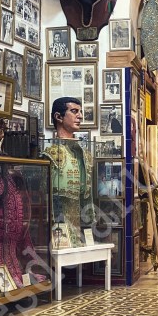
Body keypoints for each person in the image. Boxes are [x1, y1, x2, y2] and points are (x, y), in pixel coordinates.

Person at [42, 97, 95, 248]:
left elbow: (87, 198)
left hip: (79, 226)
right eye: (74, 111)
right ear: (58, 117)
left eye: (80, 112)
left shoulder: (84, 155)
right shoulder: (51, 154)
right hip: (58, 225)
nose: (80, 116)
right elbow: (45, 196)